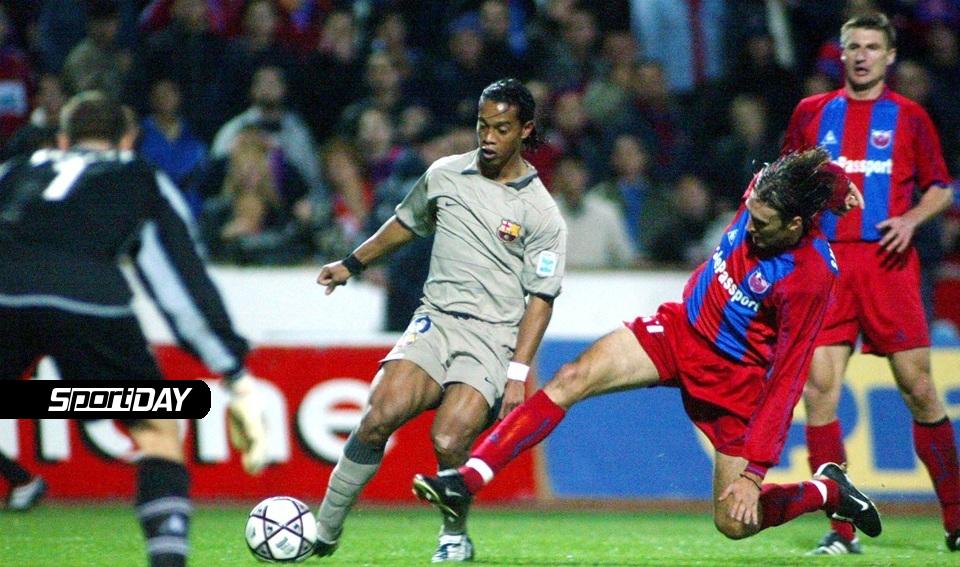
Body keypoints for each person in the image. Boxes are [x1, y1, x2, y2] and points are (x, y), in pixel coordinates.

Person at [412, 147, 885, 552]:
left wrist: (754, 473)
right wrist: (838, 183)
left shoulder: (810, 278)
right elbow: (808, 165)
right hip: (679, 331)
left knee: (735, 523)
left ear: (796, 224)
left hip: (733, 382)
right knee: (573, 377)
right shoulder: (766, 191)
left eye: (762, 224)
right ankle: (466, 482)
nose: (750, 227)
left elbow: (787, 379)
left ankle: (827, 491)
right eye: (751, 214)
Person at [0, 91, 267, 565]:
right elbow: (178, 280)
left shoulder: (15, 170)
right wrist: (232, 369)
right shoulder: (139, 176)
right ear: (127, 140)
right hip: (89, 302)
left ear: (62, 140)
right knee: (157, 429)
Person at [313, 78, 566, 562]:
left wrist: (517, 373)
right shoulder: (445, 174)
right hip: (435, 320)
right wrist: (351, 264)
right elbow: (406, 223)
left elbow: (541, 297)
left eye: (501, 129)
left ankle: (455, 533)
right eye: (482, 126)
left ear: (524, 130)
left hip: (492, 337)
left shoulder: (541, 212)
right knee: (377, 415)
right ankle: (323, 530)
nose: (488, 137)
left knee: (449, 439)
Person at [781, 12, 959, 555]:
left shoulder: (910, 117)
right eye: (853, 46)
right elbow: (785, 179)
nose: (862, 55)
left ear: (890, 56)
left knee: (919, 389)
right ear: (842, 54)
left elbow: (940, 187)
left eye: (872, 47)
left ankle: (956, 518)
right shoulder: (812, 113)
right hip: (827, 267)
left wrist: (910, 220)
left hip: (888, 266)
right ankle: (841, 530)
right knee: (819, 392)